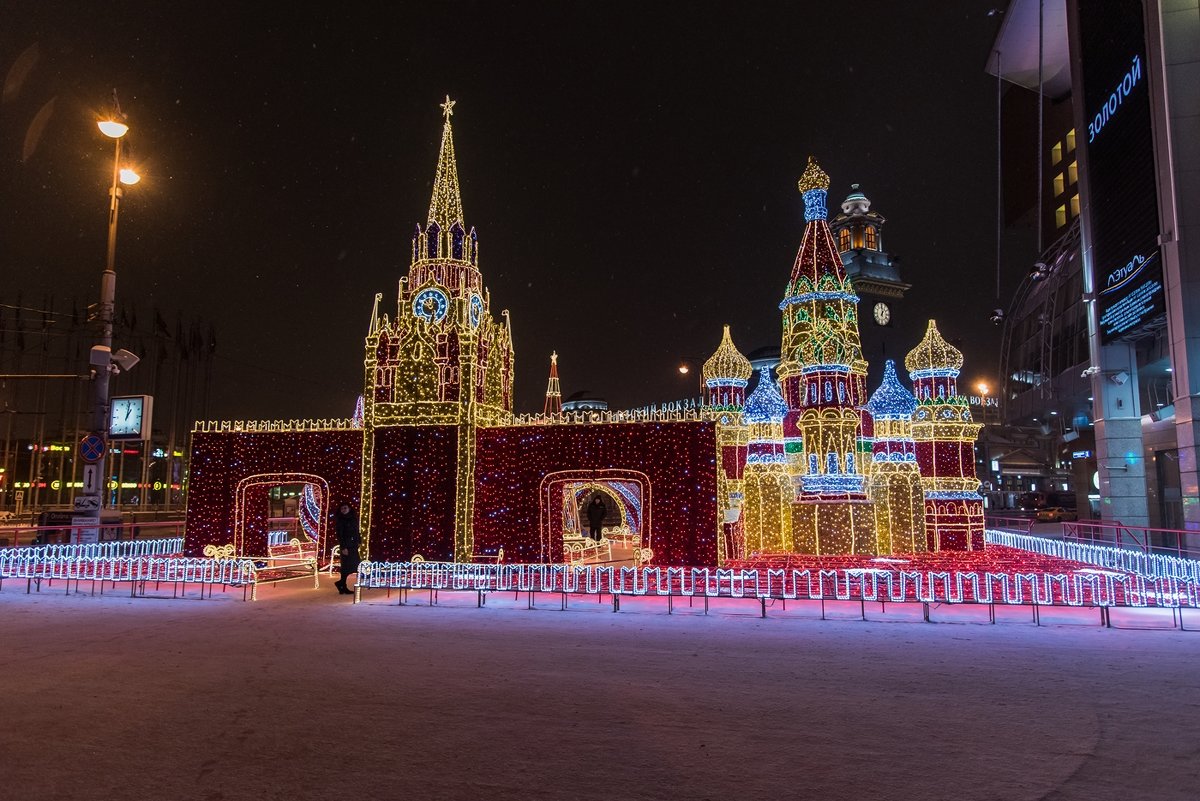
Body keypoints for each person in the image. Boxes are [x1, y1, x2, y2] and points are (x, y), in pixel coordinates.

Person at [333, 503, 361, 595]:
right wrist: (343, 547)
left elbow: (356, 531)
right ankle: (342, 585)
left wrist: (359, 541)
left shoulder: (353, 518)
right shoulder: (341, 520)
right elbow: (340, 535)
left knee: (353, 565)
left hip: (353, 545)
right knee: (346, 566)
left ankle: (341, 584)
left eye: (345, 508)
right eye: (342, 508)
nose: (344, 510)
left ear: (349, 508)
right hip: (346, 546)